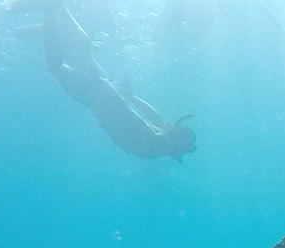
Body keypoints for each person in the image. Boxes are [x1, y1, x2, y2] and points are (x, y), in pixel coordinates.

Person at [42, 1, 196, 161]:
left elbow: (154, 116)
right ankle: (50, 11)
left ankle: (59, 9)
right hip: (98, 97)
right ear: (175, 145)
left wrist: (129, 97)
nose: (179, 155)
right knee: (56, 66)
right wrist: (123, 100)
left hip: (110, 92)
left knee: (86, 55)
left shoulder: (161, 138)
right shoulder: (153, 146)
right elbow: (122, 128)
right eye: (181, 151)